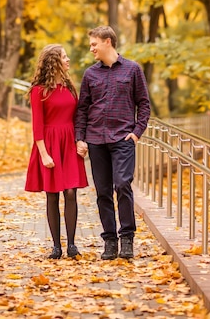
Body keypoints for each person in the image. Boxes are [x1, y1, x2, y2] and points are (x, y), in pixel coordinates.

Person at [75, 25, 151, 260]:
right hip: (96, 141)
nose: (91, 49)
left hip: (122, 139)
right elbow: (83, 109)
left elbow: (144, 104)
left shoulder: (132, 70)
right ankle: (110, 241)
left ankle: (127, 237)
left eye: (94, 44)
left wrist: (137, 132)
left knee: (123, 185)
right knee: (103, 192)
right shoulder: (90, 74)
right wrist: (80, 137)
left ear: (108, 42)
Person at [25, 44, 89, 259]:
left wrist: (81, 140)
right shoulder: (38, 90)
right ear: (54, 62)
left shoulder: (70, 87)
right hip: (49, 143)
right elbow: (37, 125)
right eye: (64, 57)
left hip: (69, 142)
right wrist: (44, 154)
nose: (68, 60)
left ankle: (71, 244)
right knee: (52, 195)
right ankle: (56, 246)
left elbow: (78, 116)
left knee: (71, 192)